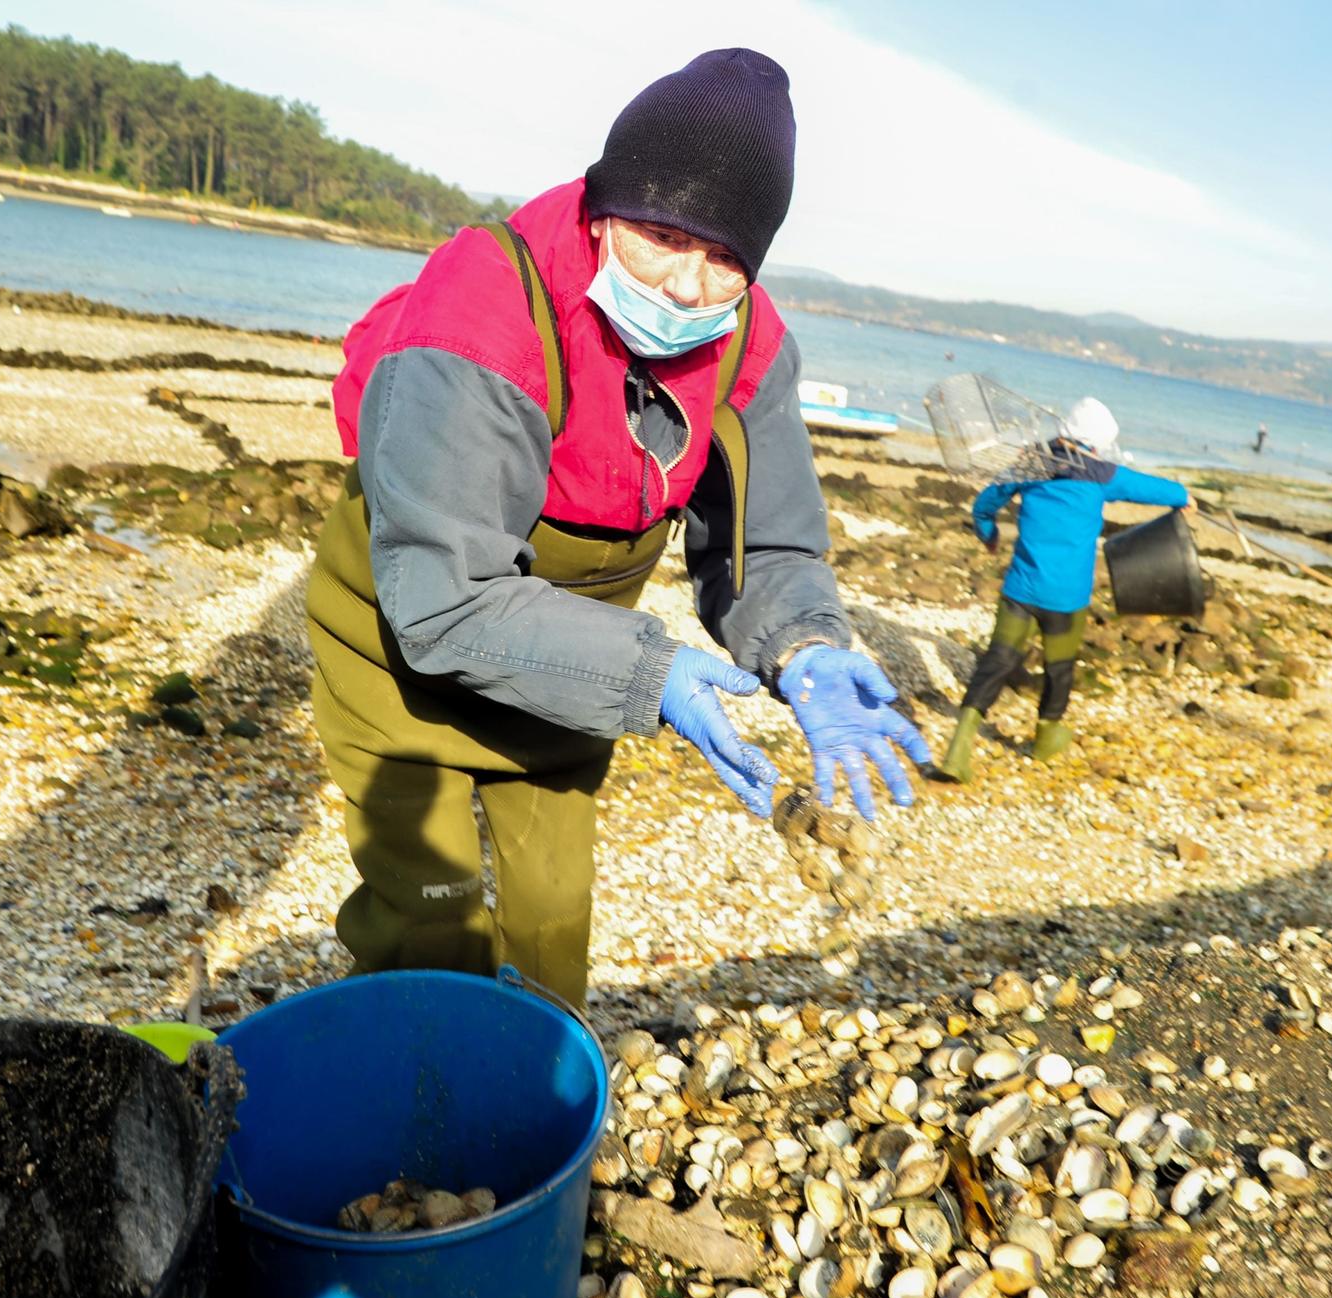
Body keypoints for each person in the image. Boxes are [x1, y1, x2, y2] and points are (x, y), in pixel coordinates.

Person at [307, 49, 929, 1003]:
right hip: (402, 652)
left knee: (553, 928)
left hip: (564, 681)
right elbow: (444, 598)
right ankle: (413, 1127)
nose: (687, 285)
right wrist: (656, 671)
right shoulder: (480, 305)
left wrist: (802, 640)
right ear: (603, 208)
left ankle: (528, 1128)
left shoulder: (750, 343)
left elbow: (770, 543)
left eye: (725, 258)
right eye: (660, 235)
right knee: (428, 927)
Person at [933, 398, 1192, 782]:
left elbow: (984, 504)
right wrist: (1186, 499)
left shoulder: (1031, 464)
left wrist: (989, 536)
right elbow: (1161, 490)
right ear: (1098, 442)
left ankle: (959, 748)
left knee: (997, 662)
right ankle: (1046, 738)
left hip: (1020, 589)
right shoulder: (1104, 475)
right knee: (1059, 669)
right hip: (1067, 599)